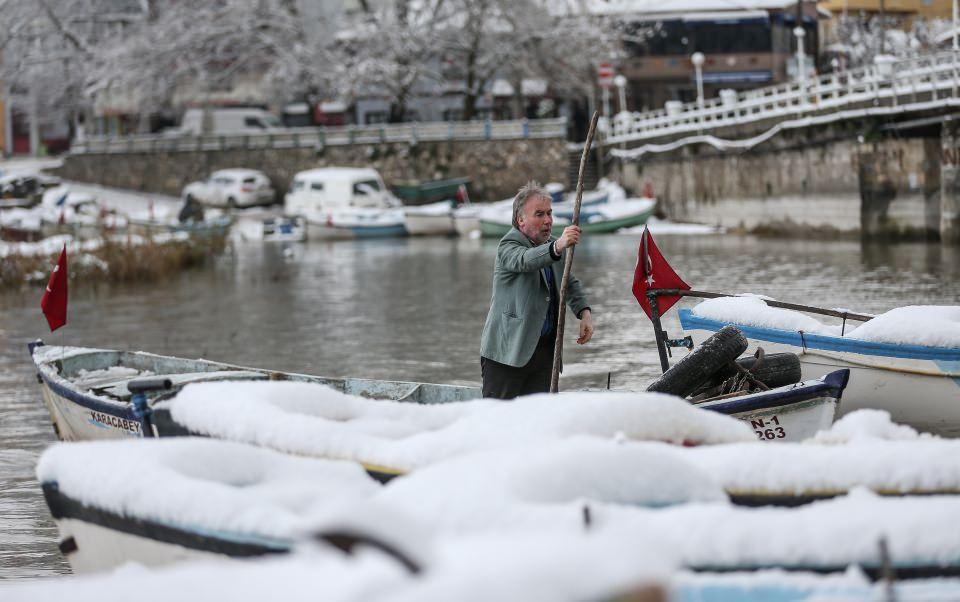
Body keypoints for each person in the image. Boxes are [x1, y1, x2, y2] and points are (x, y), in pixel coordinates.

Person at [480, 181, 594, 399]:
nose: (548, 220)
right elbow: (525, 261)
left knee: (538, 424)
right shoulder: (508, 245)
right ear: (520, 220)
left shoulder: (552, 246)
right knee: (497, 423)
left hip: (544, 354)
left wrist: (584, 313)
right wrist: (558, 246)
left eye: (550, 214)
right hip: (507, 353)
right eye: (539, 214)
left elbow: (568, 283)